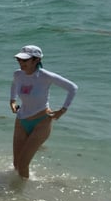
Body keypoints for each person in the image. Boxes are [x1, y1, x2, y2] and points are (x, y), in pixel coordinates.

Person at [9, 45, 78, 179]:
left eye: (25, 60)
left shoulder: (46, 76)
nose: (21, 63)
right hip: (21, 120)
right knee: (16, 163)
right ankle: (17, 192)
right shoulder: (18, 74)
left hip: (41, 122)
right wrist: (12, 101)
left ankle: (22, 197)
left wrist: (62, 110)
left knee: (23, 164)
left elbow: (72, 88)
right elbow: (14, 84)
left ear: (36, 60)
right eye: (19, 60)